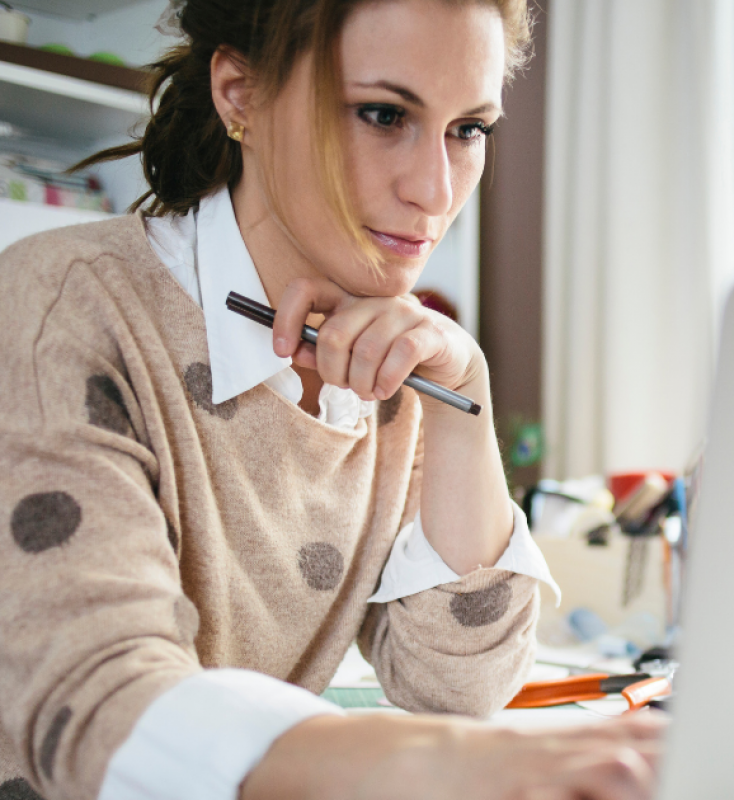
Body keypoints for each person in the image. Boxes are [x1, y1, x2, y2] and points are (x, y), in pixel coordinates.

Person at [0, 1, 661, 798]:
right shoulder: (58, 306)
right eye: (383, 114)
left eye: (469, 129)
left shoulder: (394, 363)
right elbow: (98, 700)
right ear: (240, 95)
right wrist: (430, 762)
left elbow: (458, 687)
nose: (435, 190)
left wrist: (464, 396)